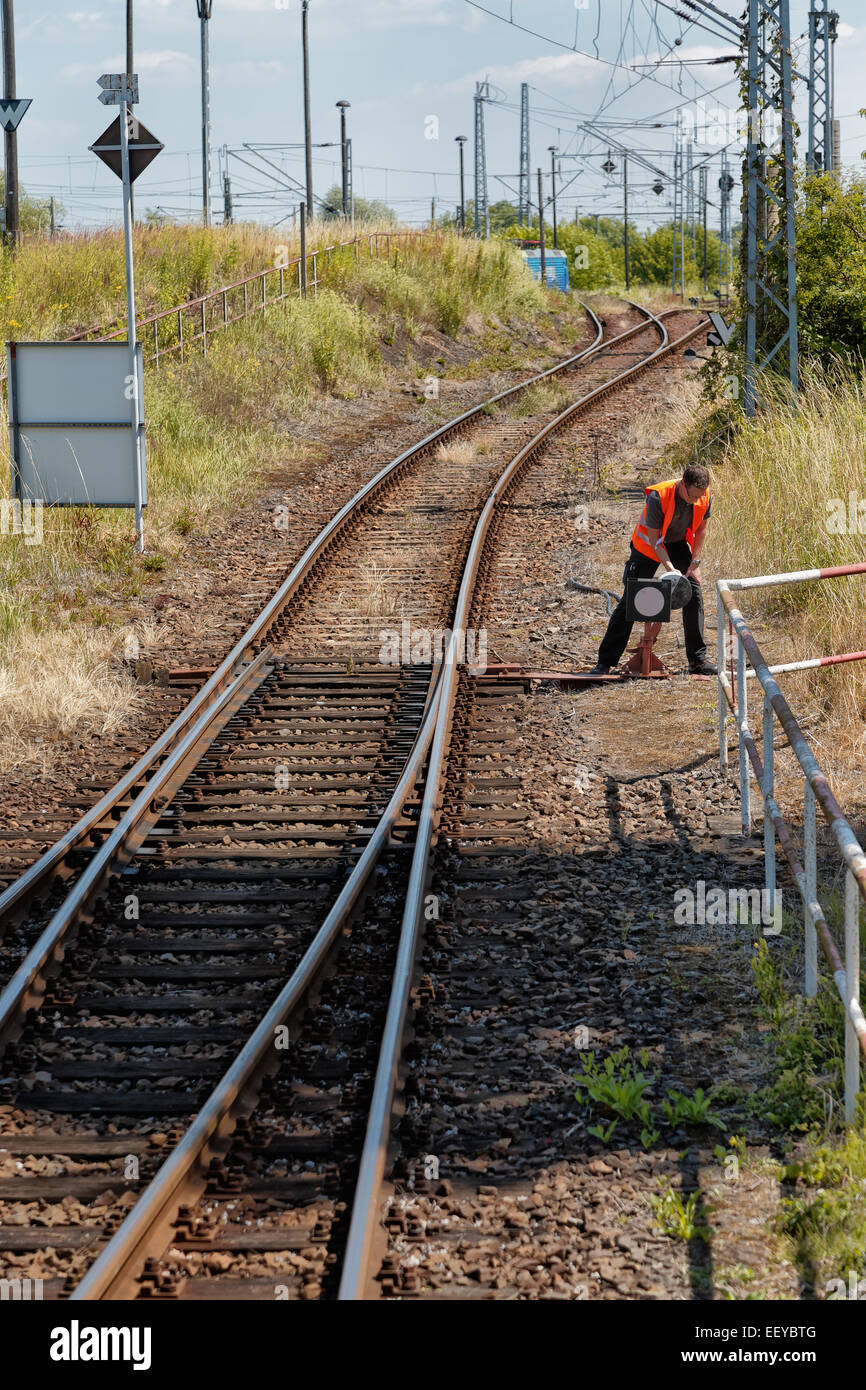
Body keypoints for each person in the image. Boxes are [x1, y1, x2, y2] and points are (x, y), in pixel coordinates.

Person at [589, 463, 718, 677]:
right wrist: (671, 570)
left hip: (676, 544)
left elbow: (702, 530)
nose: (696, 501)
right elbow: (654, 539)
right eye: (692, 497)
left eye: (699, 497)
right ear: (683, 485)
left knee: (693, 592)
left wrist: (695, 561)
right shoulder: (659, 497)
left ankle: (698, 660)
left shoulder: (704, 495)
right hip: (648, 546)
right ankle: (605, 662)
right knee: (631, 599)